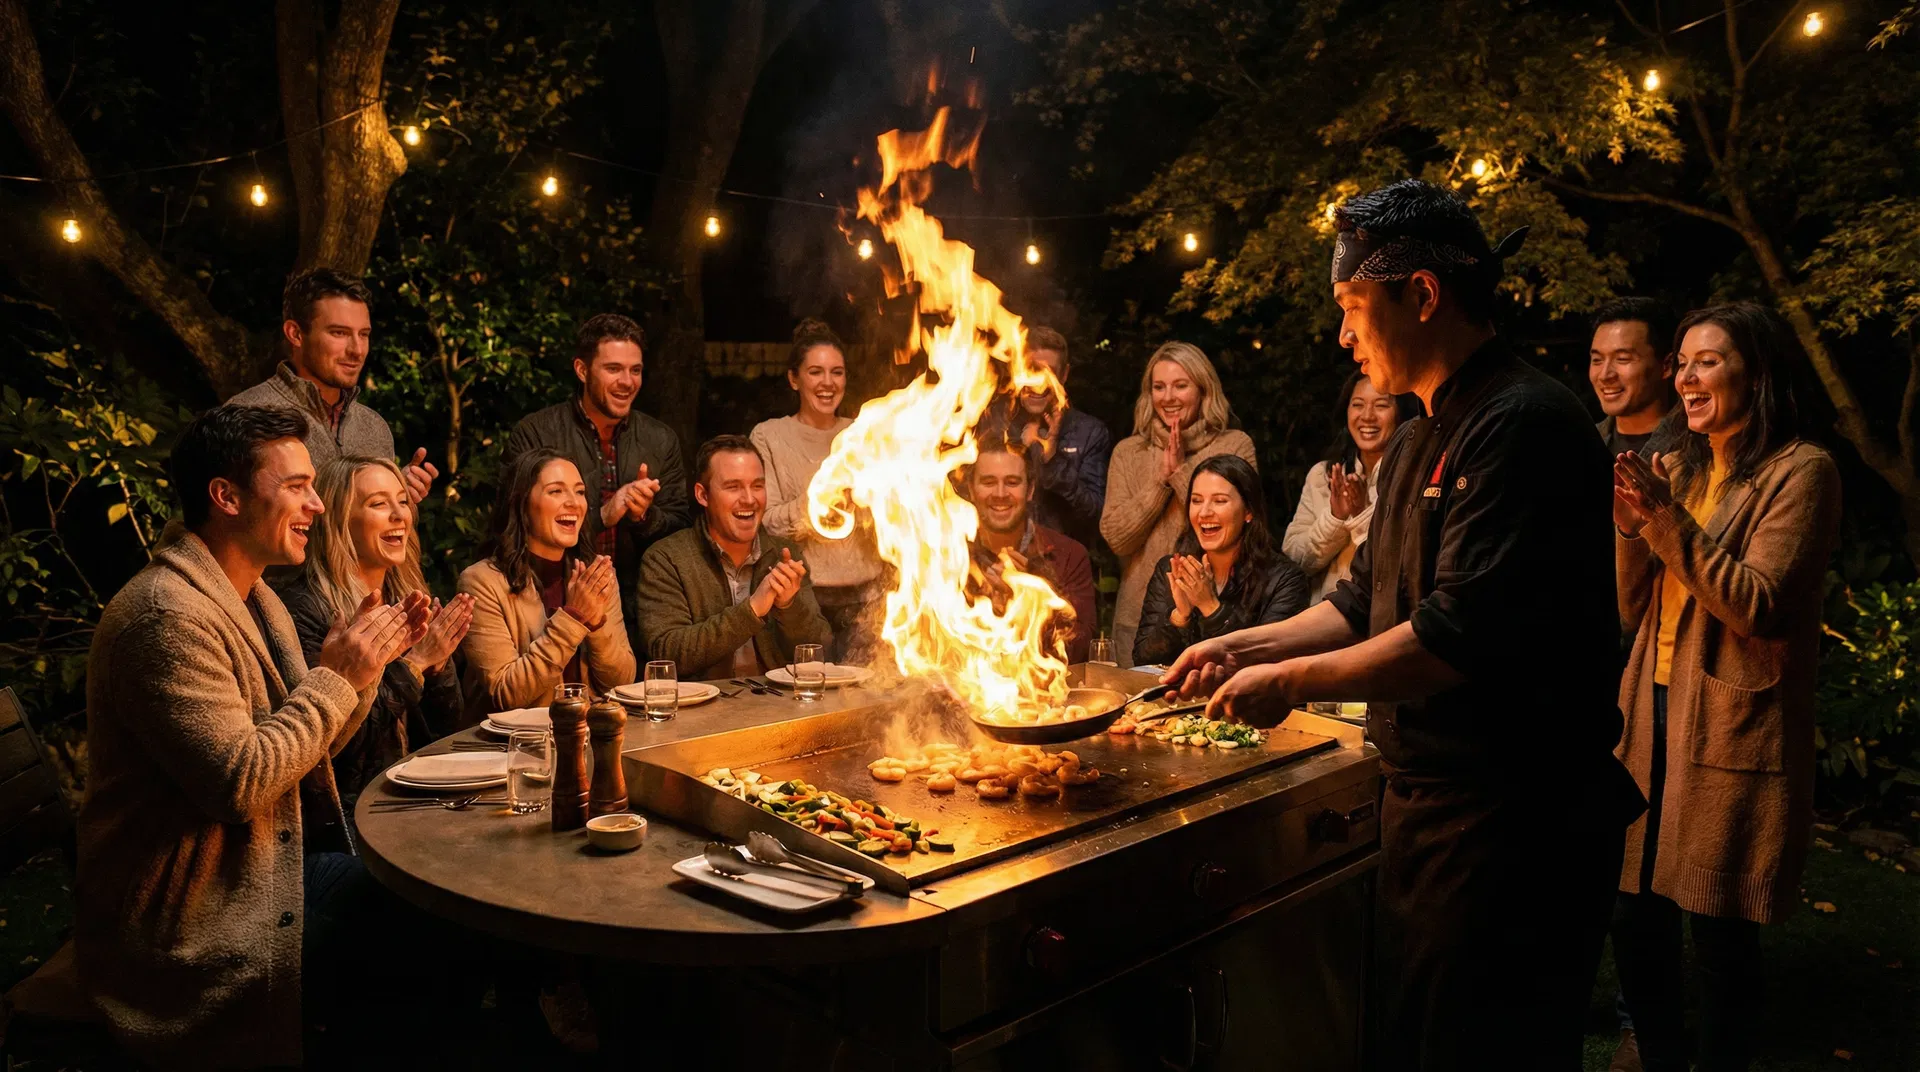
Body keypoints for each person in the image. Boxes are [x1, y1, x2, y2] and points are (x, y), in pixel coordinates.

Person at [1162, 178, 1644, 1070]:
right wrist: (1238, 643)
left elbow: (1455, 637)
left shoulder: (1523, 423)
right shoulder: (1426, 431)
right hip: (1435, 811)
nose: (1342, 333)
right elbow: (1360, 603)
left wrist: (1287, 683)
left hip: (1514, 823)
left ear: (1421, 295)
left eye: (1352, 306)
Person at [76, 405, 429, 1066]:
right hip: (191, 920)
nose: (316, 506)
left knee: (432, 897)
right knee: (421, 937)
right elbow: (239, 784)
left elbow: (311, 748)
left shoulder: (253, 596)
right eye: (296, 486)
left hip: (268, 866)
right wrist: (336, 679)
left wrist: (364, 674)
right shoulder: (164, 617)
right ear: (227, 496)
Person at [1610, 303, 1840, 1072]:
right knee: (1634, 915)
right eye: (1681, 361)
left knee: (1717, 930)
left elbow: (1757, 603)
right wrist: (1629, 525)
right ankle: (1659, 1056)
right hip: (1652, 707)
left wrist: (1666, 520)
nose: (1686, 376)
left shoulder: (1801, 471)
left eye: (1708, 360)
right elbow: (1630, 606)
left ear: (1758, 370)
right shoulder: (1682, 465)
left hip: (1731, 719)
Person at [276, 456, 472, 809]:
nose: (400, 514)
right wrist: (415, 665)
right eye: (379, 504)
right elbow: (338, 753)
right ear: (339, 521)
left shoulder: (406, 595)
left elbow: (447, 731)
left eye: (402, 500)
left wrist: (438, 666)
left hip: (417, 796)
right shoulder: (307, 610)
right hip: (352, 816)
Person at [507, 313, 690, 654]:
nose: (627, 381)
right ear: (582, 370)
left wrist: (644, 517)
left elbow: (682, 529)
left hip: (638, 612)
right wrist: (603, 514)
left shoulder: (660, 439)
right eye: (613, 369)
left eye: (635, 370)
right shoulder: (536, 434)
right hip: (551, 605)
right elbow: (514, 524)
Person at [1100, 342, 1257, 666]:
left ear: (1203, 389)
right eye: (1159, 387)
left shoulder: (1235, 444)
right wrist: (1160, 482)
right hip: (1141, 620)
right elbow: (1117, 538)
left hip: (1218, 614)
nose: (1168, 396)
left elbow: (1242, 523)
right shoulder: (1129, 452)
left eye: (1180, 385)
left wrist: (1182, 473)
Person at [230, 267, 439, 505]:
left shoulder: (375, 429)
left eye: (364, 334)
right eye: (339, 333)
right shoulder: (246, 414)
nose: (357, 350)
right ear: (295, 334)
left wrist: (395, 495)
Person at [458, 448, 635, 720]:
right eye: (556, 491)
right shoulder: (481, 582)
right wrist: (574, 618)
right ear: (522, 504)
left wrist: (596, 625)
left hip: (589, 735)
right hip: (513, 748)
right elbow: (507, 694)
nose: (574, 503)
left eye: (579, 492)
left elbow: (621, 682)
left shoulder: (594, 575)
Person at [637, 436, 833, 681]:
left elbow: (822, 651)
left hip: (779, 708)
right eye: (733, 487)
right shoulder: (666, 559)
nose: (749, 499)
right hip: (702, 714)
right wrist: (752, 609)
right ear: (703, 495)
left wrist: (789, 608)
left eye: (758, 486)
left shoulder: (785, 554)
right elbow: (667, 654)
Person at [751, 319, 888, 661]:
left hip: (869, 600)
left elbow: (892, 521)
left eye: (837, 372)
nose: (828, 383)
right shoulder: (769, 436)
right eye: (815, 372)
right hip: (802, 600)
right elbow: (765, 522)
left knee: (867, 705)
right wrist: (822, 500)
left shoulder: (865, 434)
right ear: (794, 379)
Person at [1135, 455, 1307, 666]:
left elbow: (1266, 666)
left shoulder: (1285, 580)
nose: (1204, 512)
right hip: (1178, 698)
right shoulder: (1171, 569)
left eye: (1219, 501)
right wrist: (1179, 617)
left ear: (1248, 511)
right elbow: (1142, 660)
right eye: (1196, 501)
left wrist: (1210, 607)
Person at [1282, 371, 1420, 601]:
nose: (1367, 416)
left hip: (1377, 623)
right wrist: (1335, 517)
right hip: (1315, 622)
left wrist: (1361, 515)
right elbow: (1294, 562)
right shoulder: (1322, 476)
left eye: (1381, 405)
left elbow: (1399, 568)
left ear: (1400, 413)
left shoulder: (1410, 477)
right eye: (1357, 404)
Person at [963, 438, 1097, 663]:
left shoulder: (1068, 555)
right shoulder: (946, 555)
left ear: (1030, 490)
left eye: (1012, 482)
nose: (1000, 493)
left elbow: (1079, 652)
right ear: (971, 489)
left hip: (1044, 694)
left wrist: (1030, 599)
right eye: (988, 482)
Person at [986, 326, 1114, 553]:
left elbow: (1096, 515)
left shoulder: (1089, 433)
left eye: (1049, 373)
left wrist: (1053, 461)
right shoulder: (993, 425)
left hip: (1061, 567)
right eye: (1032, 370)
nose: (1039, 383)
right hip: (998, 562)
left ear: (1064, 375)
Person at [1592, 296, 1682, 458]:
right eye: (1597, 360)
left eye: (1622, 359)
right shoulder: (1579, 443)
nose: (1605, 375)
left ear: (1667, 365)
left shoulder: (1697, 447)